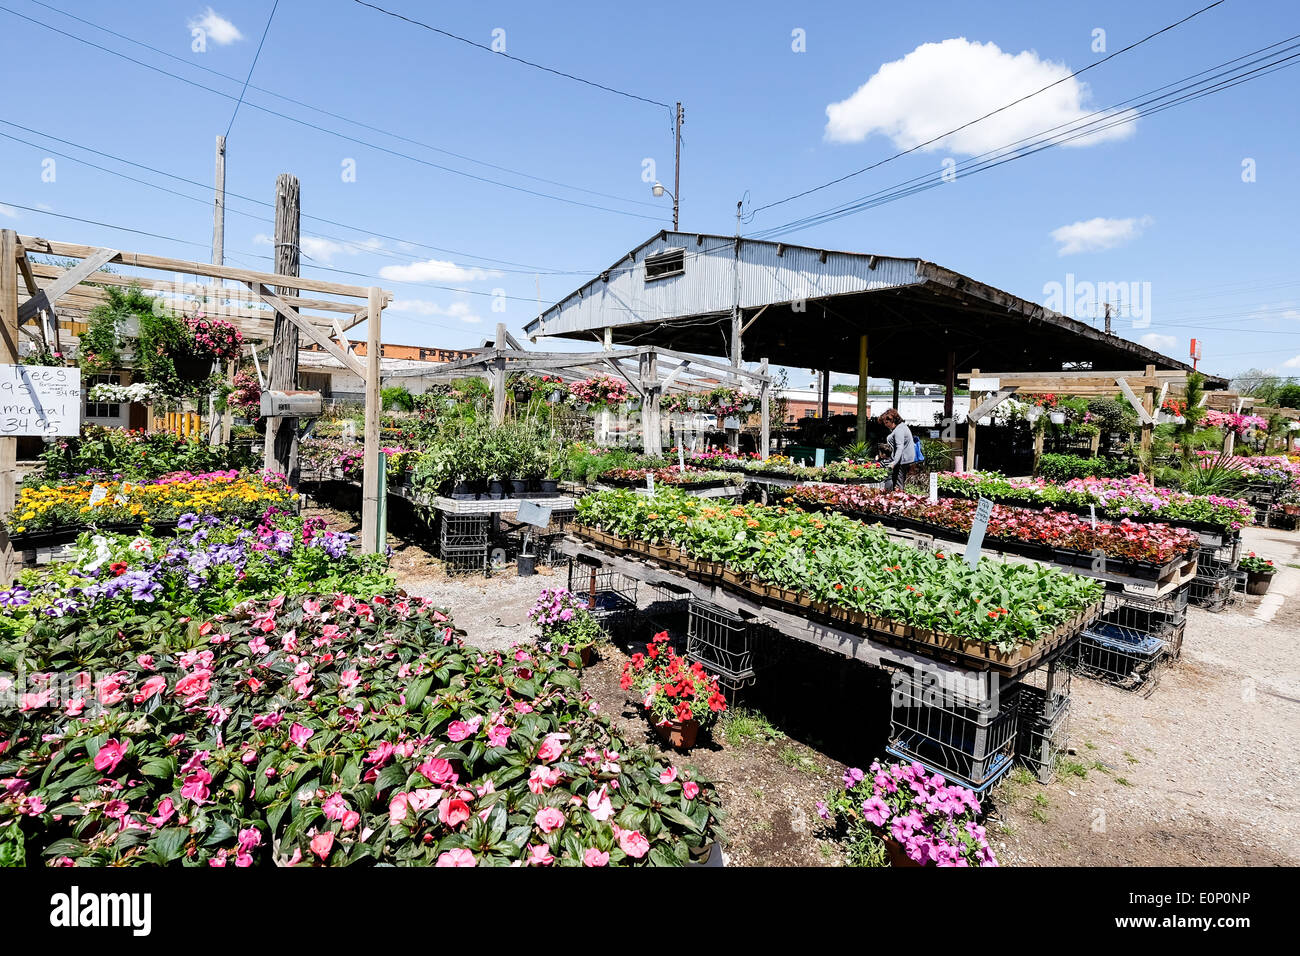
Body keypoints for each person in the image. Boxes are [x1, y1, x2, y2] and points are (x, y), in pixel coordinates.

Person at [877, 408, 915, 491]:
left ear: (893, 420)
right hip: (902, 460)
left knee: (898, 484)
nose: (886, 425)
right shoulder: (900, 427)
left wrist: (894, 462)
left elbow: (900, 447)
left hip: (901, 461)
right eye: (884, 423)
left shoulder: (899, 430)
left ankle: (899, 501)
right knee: (897, 483)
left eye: (887, 422)